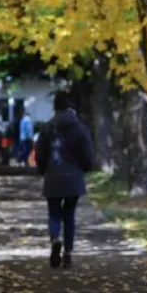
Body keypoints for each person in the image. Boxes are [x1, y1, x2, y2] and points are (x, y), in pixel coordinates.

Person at [35, 91, 94, 269]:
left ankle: (55, 240)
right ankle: (67, 253)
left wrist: (42, 170)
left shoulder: (47, 128)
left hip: (53, 177)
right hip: (73, 178)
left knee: (54, 213)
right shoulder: (80, 128)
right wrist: (84, 169)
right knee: (69, 214)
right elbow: (87, 154)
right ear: (71, 107)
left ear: (55, 107)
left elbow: (40, 153)